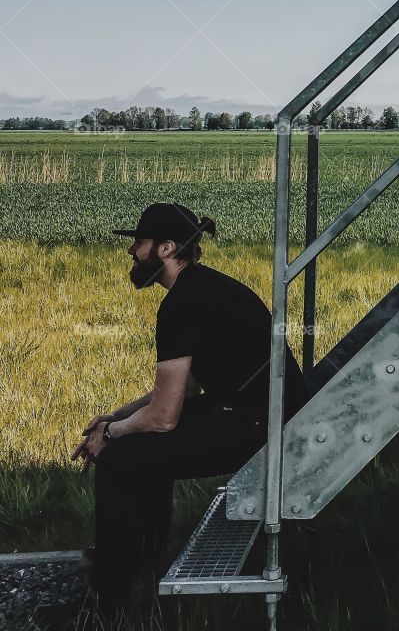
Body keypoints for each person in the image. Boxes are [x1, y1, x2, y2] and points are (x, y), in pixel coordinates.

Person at [71, 201, 309, 613]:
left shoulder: (181, 305)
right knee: (134, 440)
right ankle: (143, 560)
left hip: (261, 425)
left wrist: (109, 436)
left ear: (166, 248)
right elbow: (184, 390)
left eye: (139, 243)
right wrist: (117, 417)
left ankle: (112, 593)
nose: (131, 251)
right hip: (260, 412)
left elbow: (164, 418)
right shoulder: (202, 288)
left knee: (119, 458)